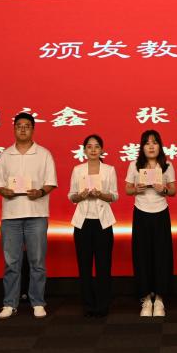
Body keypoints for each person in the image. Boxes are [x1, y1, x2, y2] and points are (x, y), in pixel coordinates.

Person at [0, 112, 58, 319]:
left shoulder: (43, 154)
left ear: (33, 129)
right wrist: (4, 191)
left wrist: (40, 192)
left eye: (27, 126)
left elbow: (50, 182)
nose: (22, 129)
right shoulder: (5, 155)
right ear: (14, 129)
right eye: (19, 126)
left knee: (37, 261)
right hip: (10, 216)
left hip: (37, 214)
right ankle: (9, 303)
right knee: (11, 262)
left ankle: (37, 301)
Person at [125, 129, 177, 316]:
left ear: (160, 146)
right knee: (142, 255)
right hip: (141, 213)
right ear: (142, 147)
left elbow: (173, 191)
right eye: (147, 143)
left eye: (154, 142)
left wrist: (163, 189)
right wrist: (136, 189)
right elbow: (127, 189)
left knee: (162, 256)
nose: (151, 146)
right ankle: (146, 299)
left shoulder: (167, 166)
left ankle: (160, 299)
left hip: (161, 213)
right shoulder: (134, 165)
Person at [69, 134, 118, 317]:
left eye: (97, 146)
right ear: (84, 150)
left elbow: (115, 195)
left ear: (102, 150)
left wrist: (101, 194)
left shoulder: (109, 170)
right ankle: (88, 304)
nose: (93, 150)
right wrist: (80, 196)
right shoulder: (78, 170)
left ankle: (103, 304)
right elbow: (71, 196)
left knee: (104, 265)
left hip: (103, 222)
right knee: (84, 265)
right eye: (89, 147)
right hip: (82, 222)